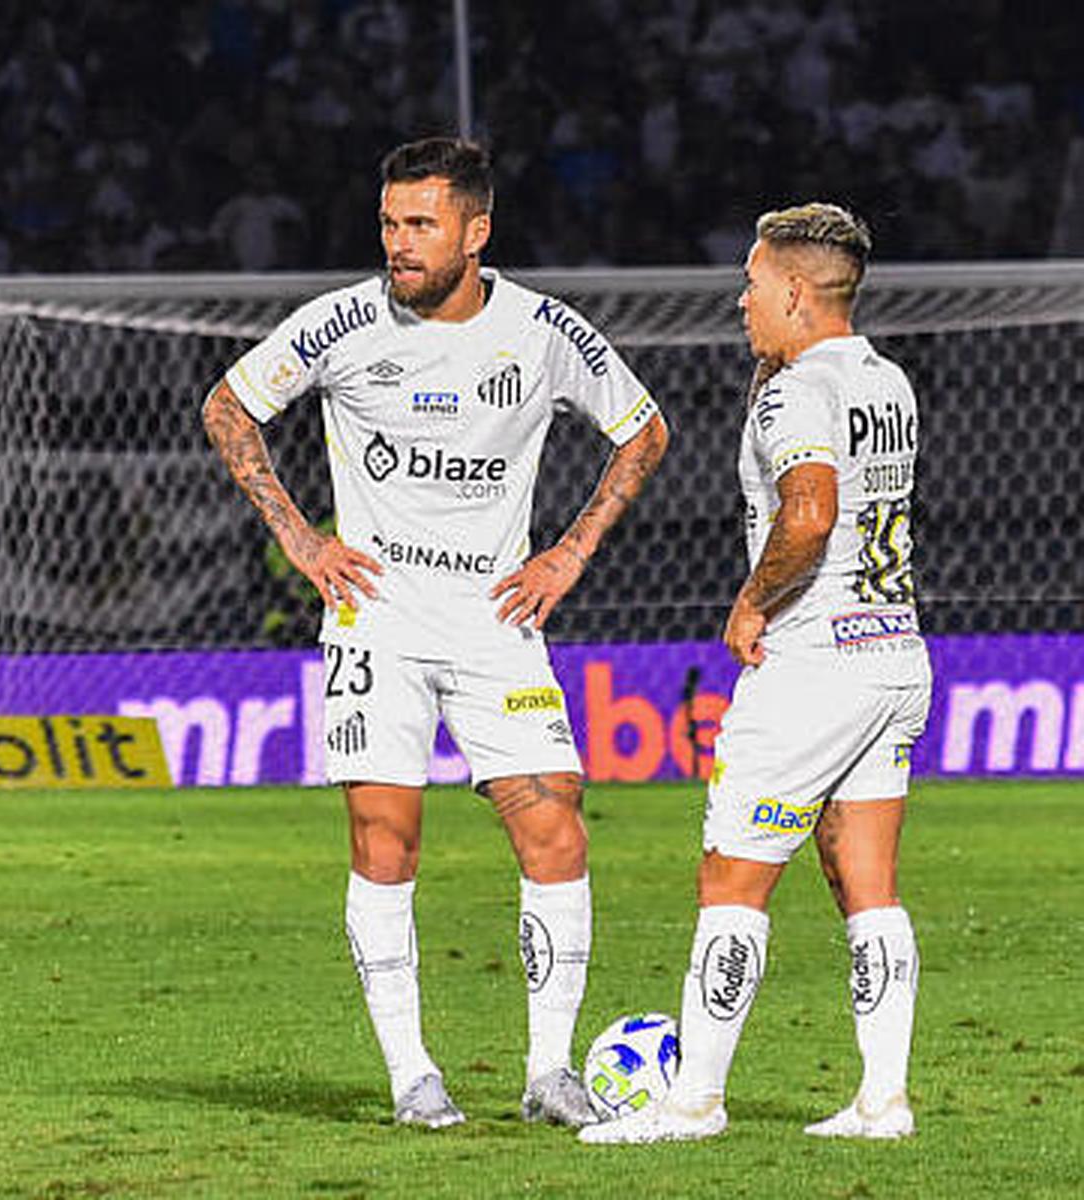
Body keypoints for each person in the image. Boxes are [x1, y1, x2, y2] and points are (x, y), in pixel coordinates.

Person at [203, 137, 669, 1129]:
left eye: (421, 225)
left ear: (476, 229)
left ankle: (550, 1075)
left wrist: (572, 552)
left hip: (498, 621)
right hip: (379, 621)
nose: (399, 244)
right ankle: (414, 1077)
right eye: (389, 223)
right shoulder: (341, 322)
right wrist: (300, 536)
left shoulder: (544, 332)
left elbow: (644, 430)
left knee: (556, 829)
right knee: (387, 841)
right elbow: (229, 407)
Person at [582, 202, 931, 1145]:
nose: (741, 303)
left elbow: (810, 512)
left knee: (730, 881)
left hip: (813, 665)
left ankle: (693, 1099)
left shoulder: (792, 393)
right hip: (893, 653)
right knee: (868, 881)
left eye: (750, 284)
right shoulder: (887, 380)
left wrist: (751, 602)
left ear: (791, 290)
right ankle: (882, 1100)